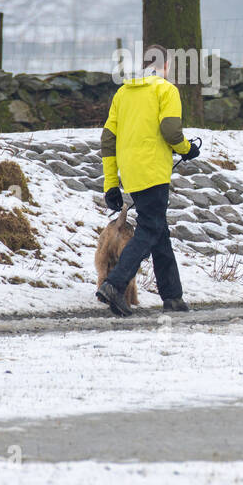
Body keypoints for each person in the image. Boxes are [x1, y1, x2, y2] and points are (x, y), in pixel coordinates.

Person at [96, 44, 200, 316]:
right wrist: (188, 150)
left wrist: (111, 184)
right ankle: (114, 285)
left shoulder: (123, 93)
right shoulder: (166, 90)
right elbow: (170, 131)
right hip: (153, 173)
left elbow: (108, 139)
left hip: (131, 174)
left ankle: (172, 296)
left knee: (159, 231)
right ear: (166, 66)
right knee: (149, 230)